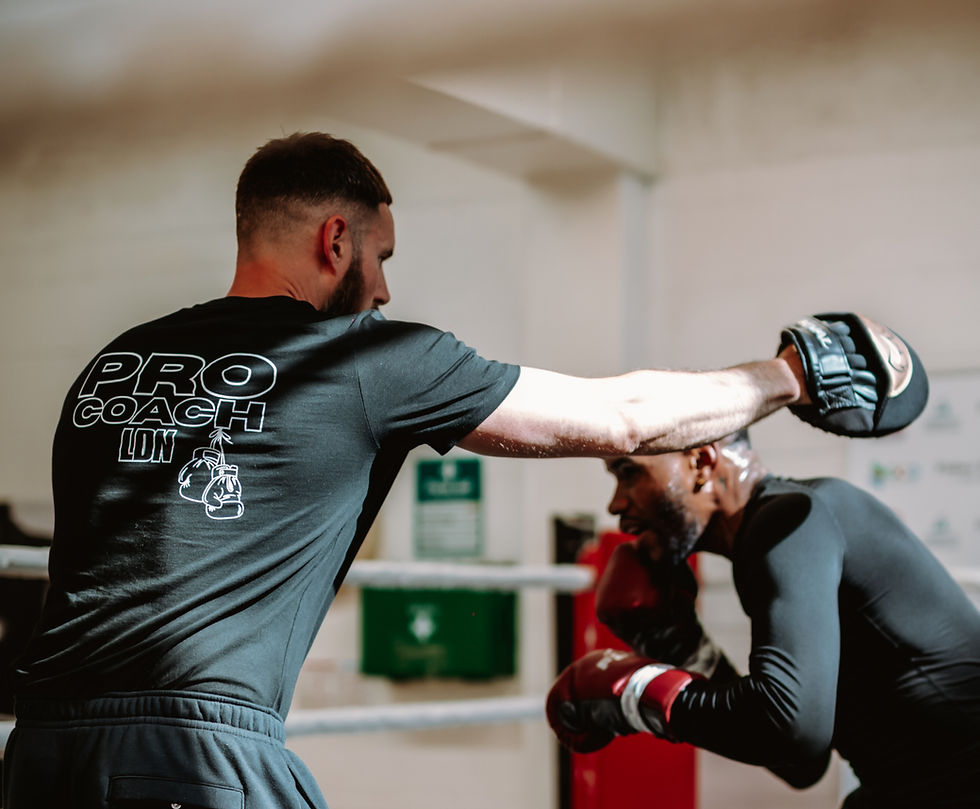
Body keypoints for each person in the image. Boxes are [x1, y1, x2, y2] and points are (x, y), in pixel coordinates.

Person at [3, 130, 829, 808]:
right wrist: (792, 374)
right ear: (336, 240)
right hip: (194, 752)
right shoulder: (367, 358)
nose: (386, 289)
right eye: (381, 256)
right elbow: (622, 418)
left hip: (37, 751)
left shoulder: (115, 364)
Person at [547, 429, 980, 809]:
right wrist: (686, 650)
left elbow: (790, 728)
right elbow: (800, 763)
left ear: (701, 460)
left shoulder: (789, 522)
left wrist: (635, 694)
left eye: (629, 472)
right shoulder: (769, 539)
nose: (617, 504)